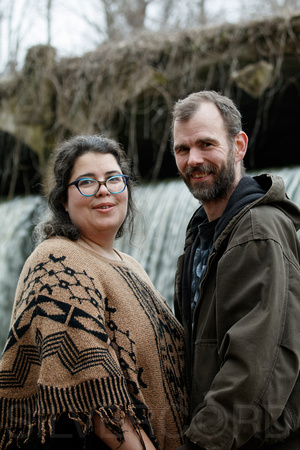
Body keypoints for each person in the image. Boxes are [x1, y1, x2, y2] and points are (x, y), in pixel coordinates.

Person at [0, 135, 188, 450]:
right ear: (63, 199)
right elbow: (94, 395)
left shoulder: (131, 266)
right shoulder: (57, 261)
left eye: (114, 179)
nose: (103, 190)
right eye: (86, 182)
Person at [171, 90, 300, 449]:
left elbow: (256, 368)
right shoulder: (202, 231)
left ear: (239, 145)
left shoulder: (258, 231)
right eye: (183, 149)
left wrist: (200, 441)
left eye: (206, 144)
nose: (193, 159)